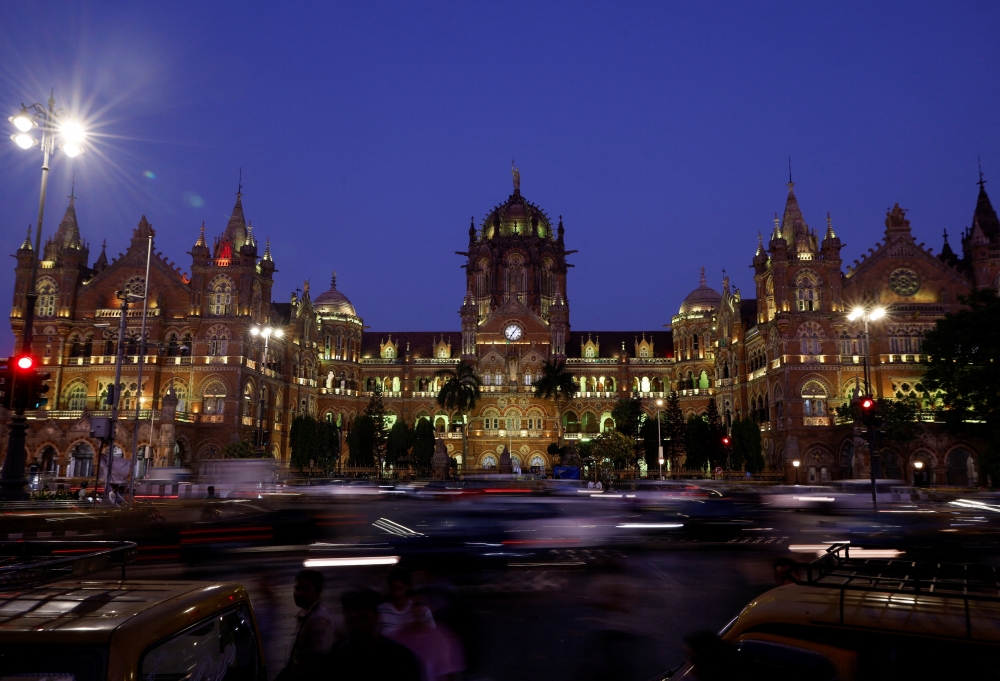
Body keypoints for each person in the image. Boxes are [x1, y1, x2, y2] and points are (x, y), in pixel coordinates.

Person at [328, 589, 421, 681]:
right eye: (350, 620)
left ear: (376, 616)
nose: (356, 625)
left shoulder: (400, 657)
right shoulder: (337, 656)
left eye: (363, 619)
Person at [276, 570, 334, 681]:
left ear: (317, 592)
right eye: (297, 589)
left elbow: (316, 663)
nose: (299, 594)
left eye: (306, 589)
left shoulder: (318, 620)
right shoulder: (308, 614)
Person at [378, 566, 434, 637]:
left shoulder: (422, 610)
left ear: (408, 587)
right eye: (393, 589)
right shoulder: (381, 611)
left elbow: (433, 636)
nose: (397, 594)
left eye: (400, 589)